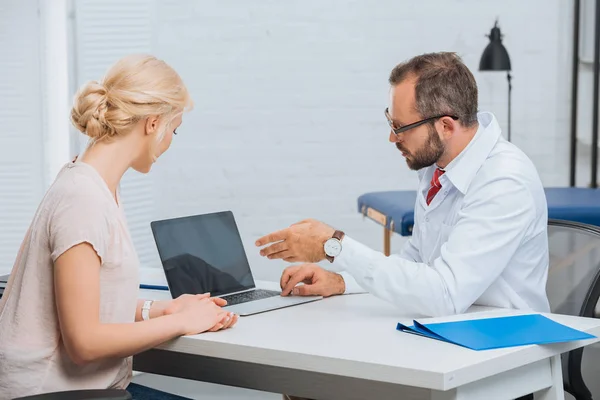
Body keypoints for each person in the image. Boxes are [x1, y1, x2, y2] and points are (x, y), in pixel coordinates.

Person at [0, 54, 238, 400]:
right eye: (175, 129)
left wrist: (159, 309)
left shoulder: (94, 183)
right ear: (152, 124)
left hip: (93, 389)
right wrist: (182, 322)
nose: (171, 141)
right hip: (49, 394)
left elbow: (86, 301)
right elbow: (84, 342)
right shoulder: (82, 200)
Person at [255, 52, 550, 320]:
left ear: (445, 126)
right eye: (390, 123)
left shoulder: (504, 181)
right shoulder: (439, 166)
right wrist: (342, 281)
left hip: (508, 350)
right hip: (455, 332)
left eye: (401, 128)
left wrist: (334, 245)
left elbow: (443, 295)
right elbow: (417, 262)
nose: (393, 139)